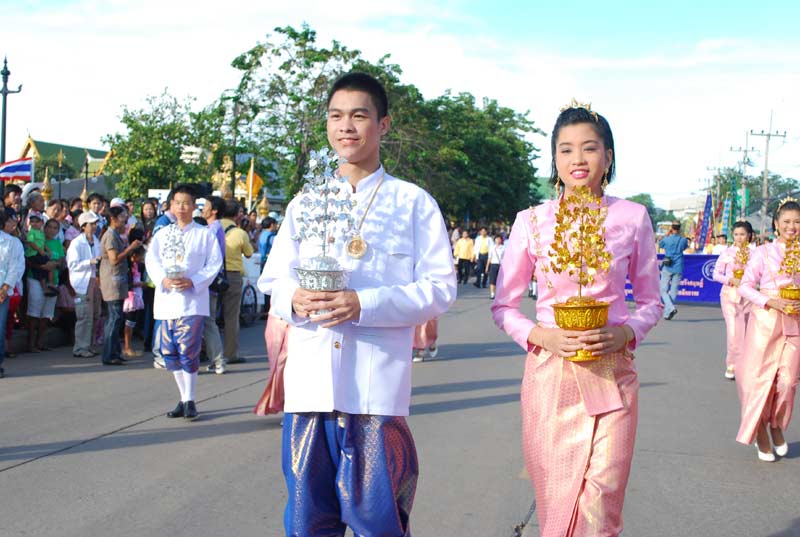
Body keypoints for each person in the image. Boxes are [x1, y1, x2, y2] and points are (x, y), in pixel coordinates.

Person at [258, 72, 456, 536]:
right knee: (307, 523)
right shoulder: (306, 203)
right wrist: (294, 297)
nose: (345, 126)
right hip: (310, 391)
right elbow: (273, 278)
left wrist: (362, 304)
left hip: (375, 394)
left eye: (359, 116)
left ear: (383, 125)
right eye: (336, 116)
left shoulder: (412, 204)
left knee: (379, 524)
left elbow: (439, 288)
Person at [491, 102, 662, 536]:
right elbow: (504, 306)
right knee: (556, 500)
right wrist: (541, 336)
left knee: (602, 498)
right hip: (550, 377)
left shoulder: (632, 217)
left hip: (613, 373)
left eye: (590, 148)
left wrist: (626, 332)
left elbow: (651, 301)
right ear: (555, 159)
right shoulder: (531, 221)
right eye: (566, 150)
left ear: (608, 156)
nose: (578, 159)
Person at [145, 184, 222, 420]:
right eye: (177, 203)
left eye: (186, 203)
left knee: (188, 349)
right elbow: (152, 260)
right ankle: (183, 397)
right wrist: (163, 279)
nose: (182, 207)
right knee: (169, 351)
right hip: (167, 299)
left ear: (193, 206)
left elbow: (214, 263)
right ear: (171, 205)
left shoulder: (204, 234)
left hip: (192, 301)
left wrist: (194, 281)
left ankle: (190, 399)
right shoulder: (162, 234)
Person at [736, 200, 800, 462]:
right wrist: (770, 301)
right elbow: (745, 286)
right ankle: (760, 430)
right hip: (764, 323)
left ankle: (776, 424)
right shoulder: (763, 252)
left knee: (787, 382)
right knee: (757, 381)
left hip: (793, 324)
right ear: (776, 223)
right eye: (787, 221)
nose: (792, 227)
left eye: (797, 222)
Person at [712, 221, 755, 380]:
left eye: (742, 234)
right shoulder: (727, 253)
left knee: (749, 332)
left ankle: (746, 365)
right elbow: (716, 274)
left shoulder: (755, 253)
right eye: (736, 234)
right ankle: (732, 365)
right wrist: (730, 280)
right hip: (730, 296)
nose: (739, 237)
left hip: (750, 297)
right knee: (734, 331)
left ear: (749, 235)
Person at [99, 207, 142, 366]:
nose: (125, 221)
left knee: (116, 318)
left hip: (118, 280)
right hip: (112, 281)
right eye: (123, 217)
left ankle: (115, 352)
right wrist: (130, 248)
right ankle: (109, 354)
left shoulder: (115, 234)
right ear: (113, 219)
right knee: (114, 317)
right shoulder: (110, 236)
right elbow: (114, 259)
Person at [220, 200, 253, 365]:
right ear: (237, 215)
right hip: (232, 276)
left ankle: (206, 350)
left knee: (208, 317)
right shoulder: (240, 233)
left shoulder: (212, 227)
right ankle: (230, 353)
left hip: (213, 275)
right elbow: (249, 253)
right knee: (231, 317)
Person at [66, 212, 102, 358]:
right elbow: (72, 264)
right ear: (83, 226)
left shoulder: (96, 241)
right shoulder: (76, 243)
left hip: (94, 281)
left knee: (95, 314)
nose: (94, 226)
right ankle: (80, 347)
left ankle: (89, 345)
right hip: (82, 282)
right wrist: (90, 262)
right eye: (91, 224)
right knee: (84, 315)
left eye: (95, 223)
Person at [200, 195, 227, 374]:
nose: (203, 209)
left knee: (208, 322)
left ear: (214, 210)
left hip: (208, 282)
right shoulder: (214, 228)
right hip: (208, 281)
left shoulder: (213, 229)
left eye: (206, 205)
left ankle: (218, 360)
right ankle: (214, 359)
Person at [0, 210, 25, 378]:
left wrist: (4, 288)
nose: (12, 224)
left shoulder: (13, 242)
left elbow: (15, 267)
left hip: (3, 289)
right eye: (9, 221)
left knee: (0, 328)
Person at [659, 223, 689, 320]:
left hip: (668, 265)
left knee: (663, 290)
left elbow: (660, 244)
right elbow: (685, 247)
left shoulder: (667, 239)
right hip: (678, 265)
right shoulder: (683, 240)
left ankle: (671, 308)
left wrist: (668, 234)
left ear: (671, 228)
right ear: (680, 229)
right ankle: (667, 313)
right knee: (673, 290)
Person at [24, 213, 58, 297]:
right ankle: (50, 284)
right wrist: (39, 250)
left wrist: (48, 251)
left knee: (44, 270)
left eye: (37, 221)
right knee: (48, 266)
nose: (34, 223)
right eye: (32, 221)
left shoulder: (41, 233)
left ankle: (48, 286)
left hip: (39, 254)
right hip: (33, 255)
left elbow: (43, 243)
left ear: (42, 222)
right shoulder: (31, 232)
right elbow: (31, 243)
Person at [122, 244, 146, 357]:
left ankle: (129, 346)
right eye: (140, 255)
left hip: (137, 296)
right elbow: (127, 283)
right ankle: (127, 347)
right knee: (129, 322)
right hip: (130, 297)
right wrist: (139, 284)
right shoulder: (128, 267)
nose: (142, 258)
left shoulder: (138, 266)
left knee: (132, 322)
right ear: (134, 255)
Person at [487, 235, 505, 299]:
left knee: (501, 280)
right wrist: (487, 266)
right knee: (492, 280)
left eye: (499, 239)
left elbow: (506, 258)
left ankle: (500, 294)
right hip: (493, 265)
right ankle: (492, 294)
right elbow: (489, 257)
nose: (498, 240)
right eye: (496, 239)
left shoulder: (504, 248)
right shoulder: (492, 248)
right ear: (494, 240)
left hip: (501, 265)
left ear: (501, 240)